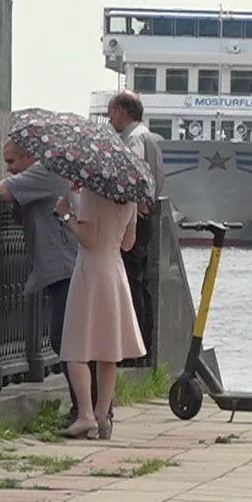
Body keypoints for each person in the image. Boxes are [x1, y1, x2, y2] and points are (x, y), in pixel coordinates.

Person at [0, 142, 87, 421]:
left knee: (66, 340)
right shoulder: (50, 171)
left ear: (30, 156)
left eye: (12, 162)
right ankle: (90, 410)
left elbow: (2, 192)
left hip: (64, 266)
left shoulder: (44, 172)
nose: (9, 168)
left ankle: (85, 411)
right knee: (72, 339)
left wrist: (8, 181)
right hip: (65, 264)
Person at [56, 185, 144, 439]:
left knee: (75, 347)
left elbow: (88, 238)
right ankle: (103, 416)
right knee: (108, 350)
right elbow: (128, 243)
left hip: (89, 271)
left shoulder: (91, 195)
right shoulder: (130, 198)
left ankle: (85, 415)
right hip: (115, 271)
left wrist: (66, 213)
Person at [107, 91, 164, 369]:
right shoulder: (149, 136)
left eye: (111, 112)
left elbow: (134, 175)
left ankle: (134, 350)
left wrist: (134, 204)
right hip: (146, 215)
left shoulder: (133, 139)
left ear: (121, 110)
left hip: (135, 217)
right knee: (140, 283)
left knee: (131, 282)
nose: (109, 118)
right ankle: (144, 349)